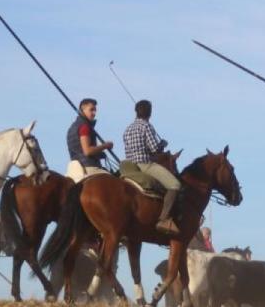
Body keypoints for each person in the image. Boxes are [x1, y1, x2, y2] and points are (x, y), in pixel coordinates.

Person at [123, 100, 180, 235]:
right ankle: (164, 219)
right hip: (144, 165)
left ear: (136, 112)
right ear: (150, 112)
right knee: (175, 185)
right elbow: (155, 150)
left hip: (130, 166)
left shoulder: (127, 129)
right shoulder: (146, 126)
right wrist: (162, 144)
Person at [66, 98, 113, 182]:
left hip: (76, 169)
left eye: (95, 110)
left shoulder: (71, 128)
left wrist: (100, 154)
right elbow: (87, 151)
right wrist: (105, 146)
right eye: (91, 110)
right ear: (82, 109)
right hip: (89, 168)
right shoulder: (85, 127)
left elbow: (78, 150)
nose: (94, 113)